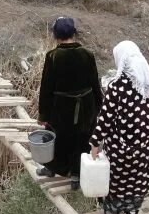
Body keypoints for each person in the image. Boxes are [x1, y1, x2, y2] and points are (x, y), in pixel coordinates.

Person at [89, 41, 149, 214]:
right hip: (144, 146)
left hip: (120, 147)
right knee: (138, 181)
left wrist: (95, 143)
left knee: (117, 181)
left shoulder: (118, 86)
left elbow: (105, 118)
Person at [37, 17, 102, 190]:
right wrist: (99, 106)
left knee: (57, 136)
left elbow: (46, 87)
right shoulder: (87, 54)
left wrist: (43, 114)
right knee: (81, 138)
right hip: (85, 105)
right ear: (74, 33)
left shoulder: (53, 57)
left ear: (55, 35)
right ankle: (76, 175)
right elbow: (95, 83)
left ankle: (51, 168)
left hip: (60, 107)